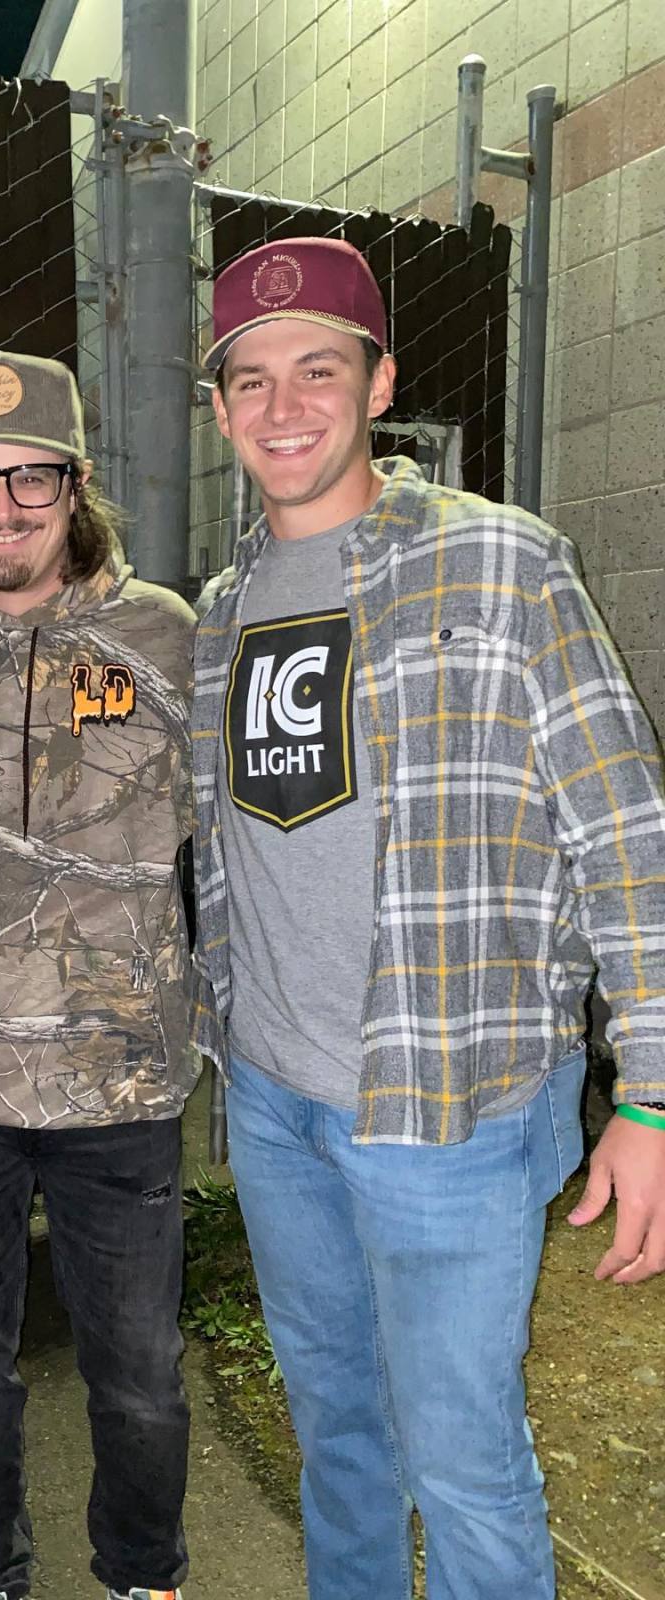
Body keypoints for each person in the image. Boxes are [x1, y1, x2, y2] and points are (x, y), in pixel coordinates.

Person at [192, 235, 665, 1600]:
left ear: (380, 381)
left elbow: (629, 834)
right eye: (252, 379)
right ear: (220, 406)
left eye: (319, 370)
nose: (285, 407)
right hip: (277, 1104)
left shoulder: (505, 566)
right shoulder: (225, 612)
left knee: (463, 1457)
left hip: (447, 1108)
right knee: (337, 1431)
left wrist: (650, 1102)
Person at [0, 351, 214, 1600]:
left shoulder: (164, 636)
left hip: (115, 1079)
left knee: (136, 1366)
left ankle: (140, 1575)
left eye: (31, 479)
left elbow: (230, 832)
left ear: (74, 485)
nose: (2, 506)